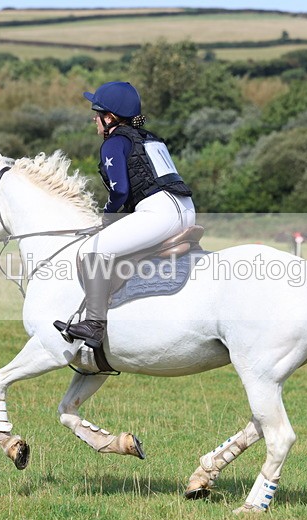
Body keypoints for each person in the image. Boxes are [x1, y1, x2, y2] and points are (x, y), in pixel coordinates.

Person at [55, 81, 197, 349]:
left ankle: (94, 324)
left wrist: (106, 218)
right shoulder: (150, 138)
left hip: (159, 213)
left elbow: (120, 191)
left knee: (92, 251)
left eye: (97, 114)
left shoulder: (114, 143)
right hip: (186, 209)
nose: (94, 119)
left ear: (110, 118)